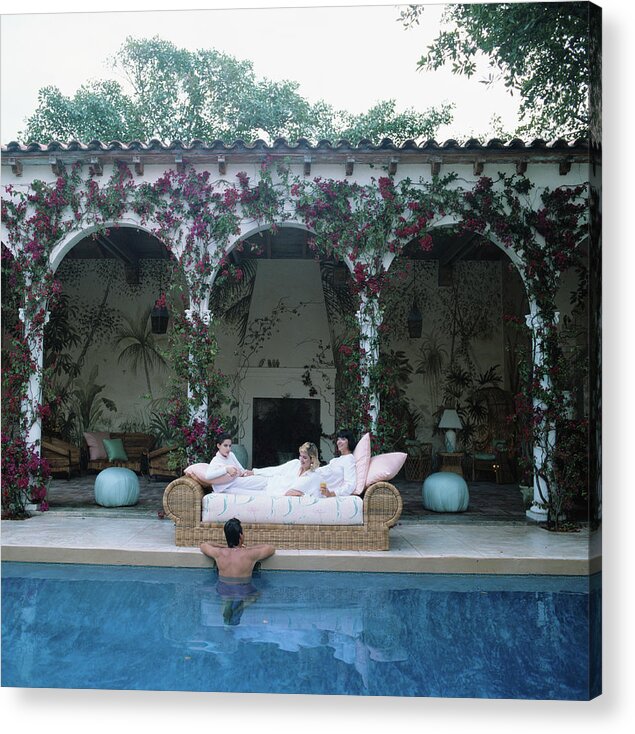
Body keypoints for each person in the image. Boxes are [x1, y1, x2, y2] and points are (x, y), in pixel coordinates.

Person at [200, 518, 275, 625]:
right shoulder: (250, 554)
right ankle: (240, 607)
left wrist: (224, 546)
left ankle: (226, 616)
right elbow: (270, 548)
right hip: (243, 589)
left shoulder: (219, 553)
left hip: (223, 587)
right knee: (256, 595)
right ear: (241, 536)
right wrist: (248, 548)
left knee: (225, 598)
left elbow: (204, 545)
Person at [198, 432, 268, 494]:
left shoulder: (231, 454)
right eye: (225, 445)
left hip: (237, 481)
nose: (228, 449)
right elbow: (208, 476)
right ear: (218, 446)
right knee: (262, 481)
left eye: (230, 446)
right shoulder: (216, 460)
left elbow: (241, 468)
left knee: (261, 479)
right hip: (225, 486)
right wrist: (226, 469)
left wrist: (245, 473)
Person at [253, 441, 322, 497]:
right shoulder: (295, 463)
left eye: (304, 457)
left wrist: (301, 494)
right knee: (243, 479)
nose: (301, 459)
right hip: (268, 481)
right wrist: (254, 472)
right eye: (300, 456)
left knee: (242, 491)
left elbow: (317, 497)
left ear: (312, 459)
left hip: (272, 493)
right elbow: (276, 470)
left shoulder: (314, 477)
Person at [316, 429, 358, 497]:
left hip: (317, 487)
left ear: (349, 441)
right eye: (338, 439)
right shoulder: (335, 460)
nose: (338, 442)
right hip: (313, 478)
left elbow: (350, 484)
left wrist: (332, 493)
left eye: (343, 439)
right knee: (296, 463)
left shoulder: (349, 459)